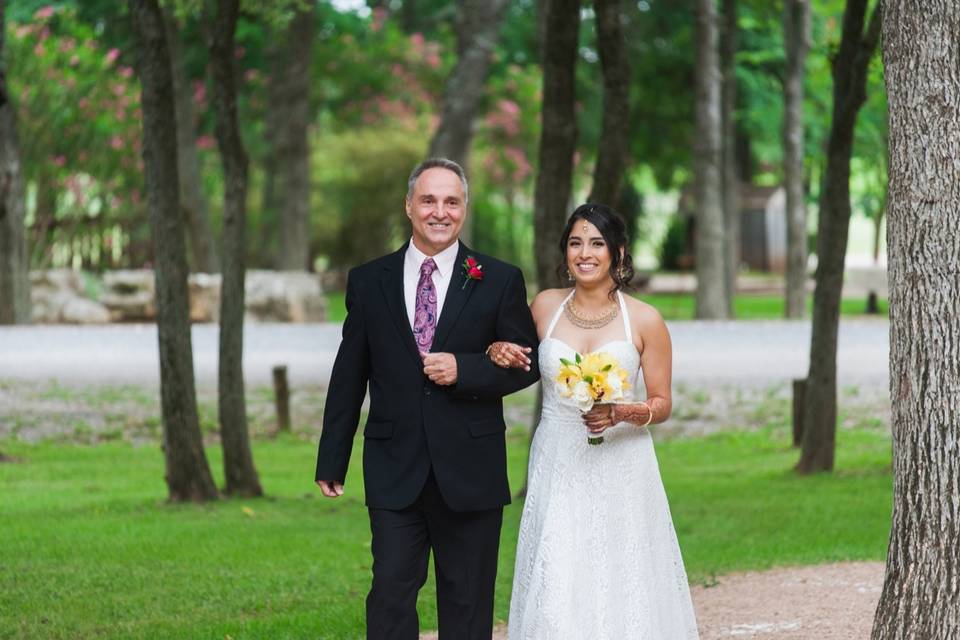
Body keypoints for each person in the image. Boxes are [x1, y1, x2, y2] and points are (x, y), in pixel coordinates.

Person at [315, 158, 540, 640]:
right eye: (429, 200)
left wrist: (467, 369)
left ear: (464, 208)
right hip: (395, 467)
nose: (440, 211)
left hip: (470, 468)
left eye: (451, 201)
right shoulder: (368, 280)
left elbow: (529, 363)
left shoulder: (498, 279)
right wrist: (332, 457)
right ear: (409, 205)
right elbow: (349, 373)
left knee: (467, 600)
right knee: (391, 594)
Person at [489, 204, 700, 638]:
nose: (585, 253)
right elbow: (516, 359)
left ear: (618, 253)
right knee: (557, 565)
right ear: (565, 252)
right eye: (575, 243)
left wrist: (621, 412)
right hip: (558, 457)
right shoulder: (544, 306)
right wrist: (497, 350)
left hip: (622, 465)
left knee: (623, 571)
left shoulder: (644, 319)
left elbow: (662, 403)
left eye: (597, 243)